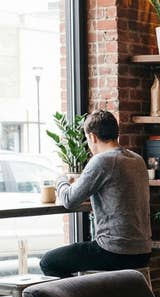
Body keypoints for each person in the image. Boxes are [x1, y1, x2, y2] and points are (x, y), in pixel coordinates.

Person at [40, 110, 152, 278]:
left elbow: (69, 200)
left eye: (87, 139)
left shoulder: (102, 161)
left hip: (115, 251)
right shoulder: (137, 159)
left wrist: (61, 180)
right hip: (143, 252)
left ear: (92, 137)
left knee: (48, 262)